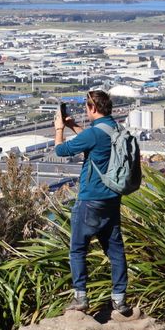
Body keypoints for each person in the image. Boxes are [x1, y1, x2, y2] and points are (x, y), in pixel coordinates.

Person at [53, 90, 132, 316]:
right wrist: (74, 126)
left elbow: (61, 151)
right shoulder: (117, 129)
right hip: (112, 198)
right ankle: (119, 299)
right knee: (115, 251)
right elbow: (94, 143)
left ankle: (80, 297)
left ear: (93, 108)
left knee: (78, 249)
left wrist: (59, 129)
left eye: (87, 108)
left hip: (90, 199)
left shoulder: (94, 134)